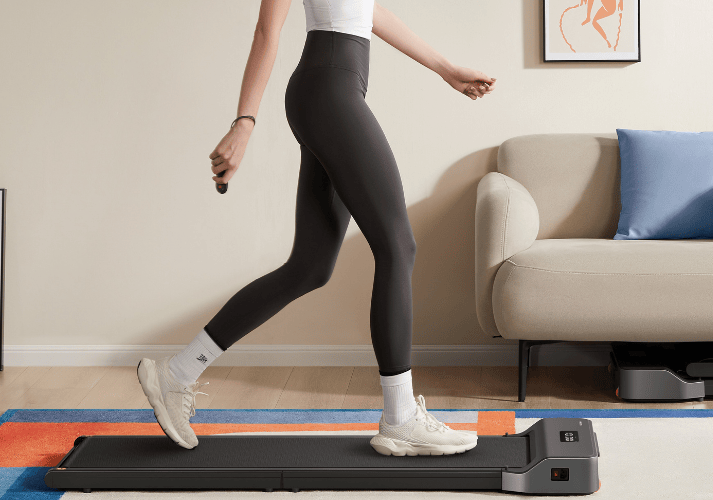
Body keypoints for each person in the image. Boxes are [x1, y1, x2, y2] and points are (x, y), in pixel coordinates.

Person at [137, 0, 495, 456]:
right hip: (329, 91)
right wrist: (244, 122)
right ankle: (401, 417)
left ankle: (177, 374)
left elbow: (367, 10)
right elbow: (267, 30)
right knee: (397, 246)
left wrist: (445, 68)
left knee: (310, 266)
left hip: (333, 91)